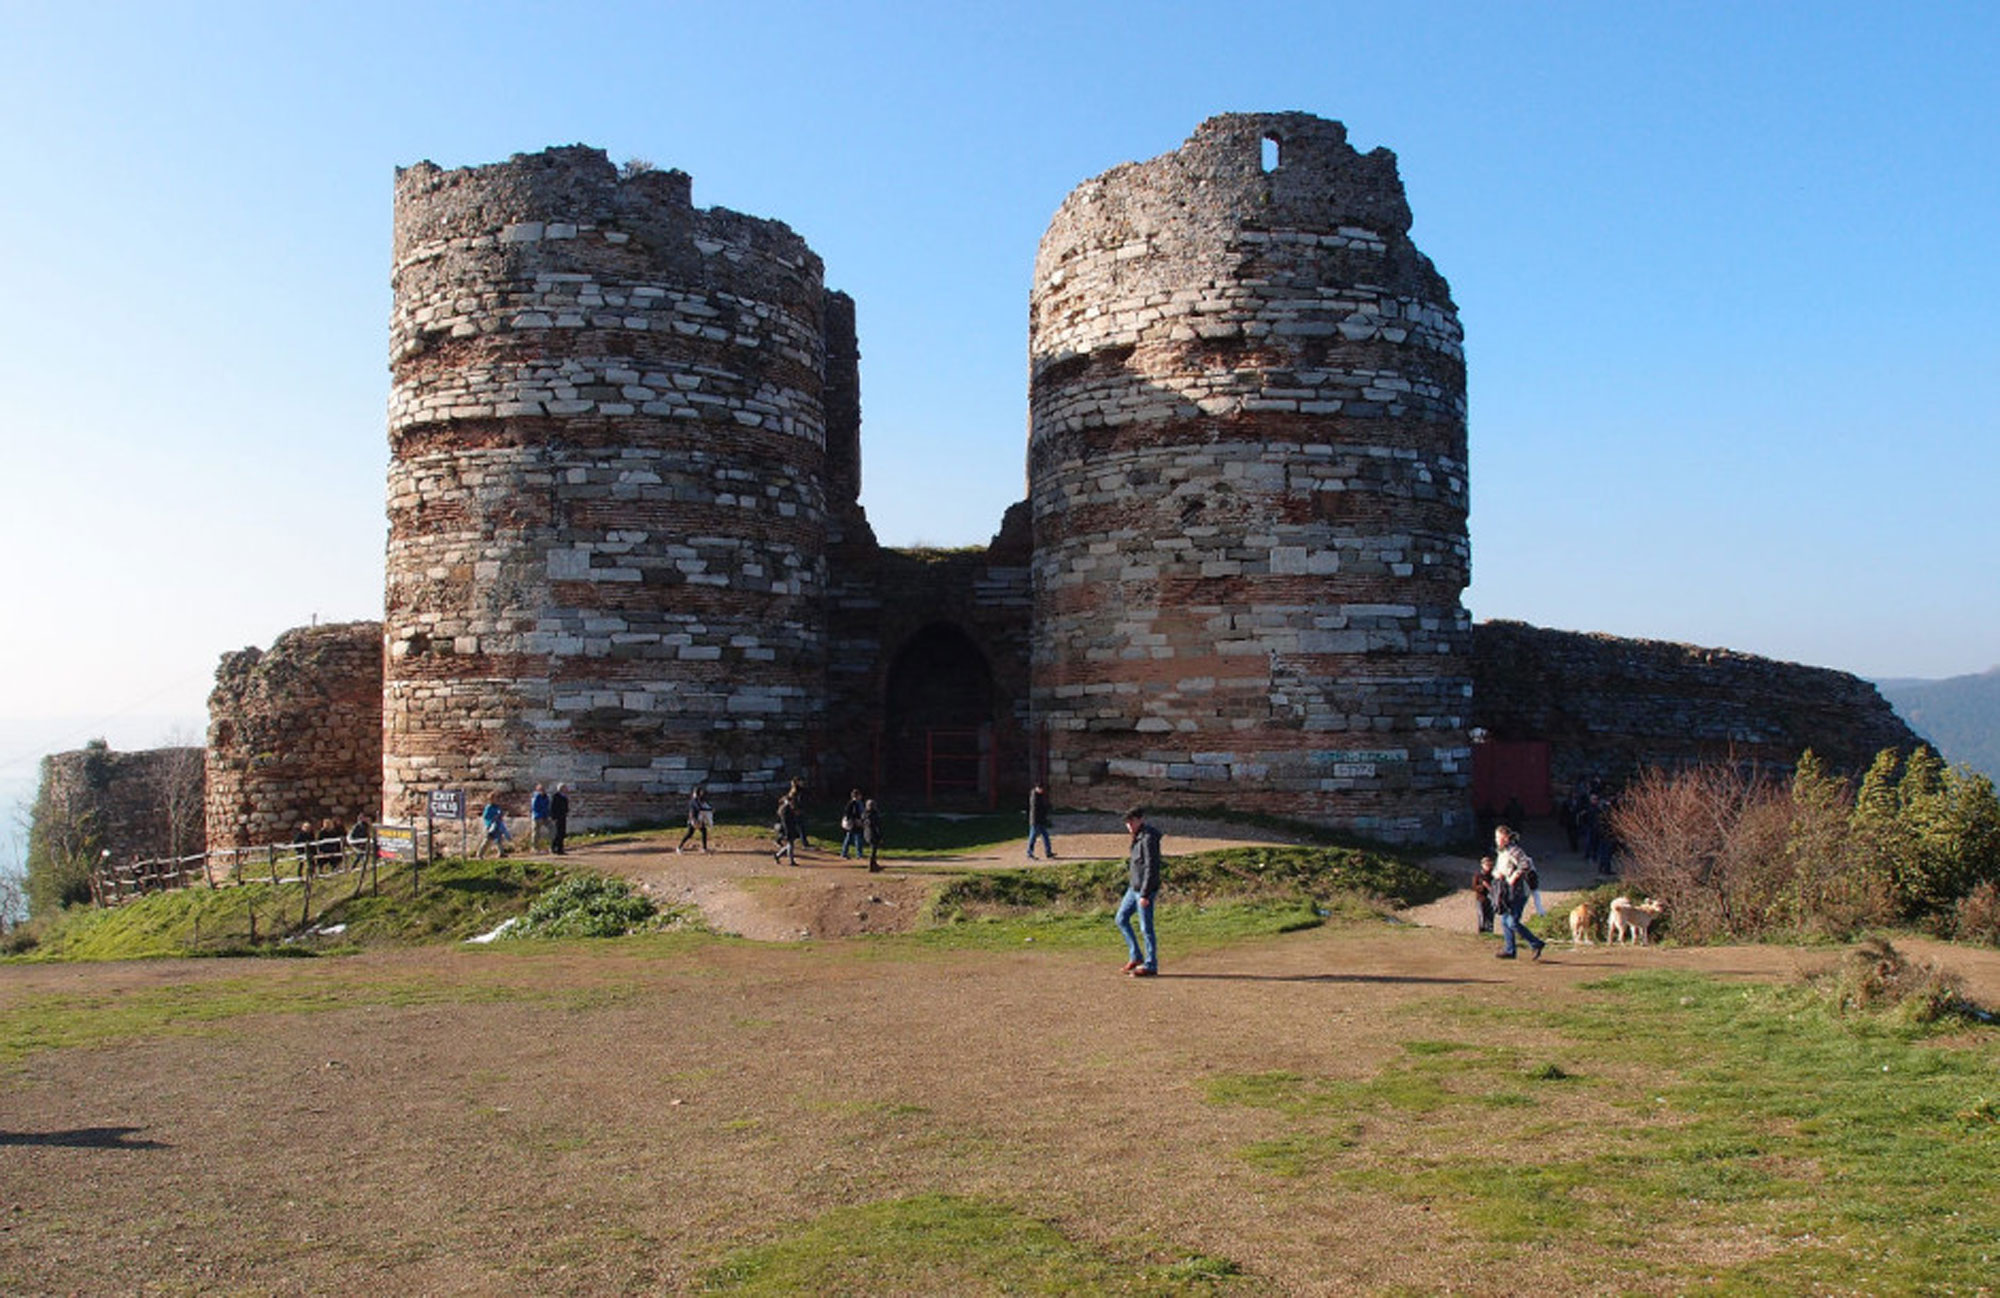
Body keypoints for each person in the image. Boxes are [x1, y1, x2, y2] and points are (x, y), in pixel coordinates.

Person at [1116, 807, 1162, 977]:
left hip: (1144, 889)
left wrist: (1145, 893)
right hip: (1133, 887)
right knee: (1121, 918)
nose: (1129, 826)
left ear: (1140, 819)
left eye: (1132, 822)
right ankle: (1135, 955)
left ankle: (1150, 964)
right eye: (1127, 823)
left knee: (1146, 927)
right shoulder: (1137, 836)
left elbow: (1151, 867)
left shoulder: (1149, 838)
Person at [1492, 824, 1544, 960]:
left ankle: (1536, 943)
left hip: (1519, 892)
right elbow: (1499, 868)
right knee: (1504, 920)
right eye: (1496, 837)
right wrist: (1497, 874)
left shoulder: (1514, 850)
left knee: (1512, 922)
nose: (1496, 840)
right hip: (1506, 891)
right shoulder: (1502, 852)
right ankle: (1510, 950)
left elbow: (1526, 864)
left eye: (1498, 837)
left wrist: (1515, 875)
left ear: (1505, 838)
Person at [677, 785, 712, 854]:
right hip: (693, 820)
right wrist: (709, 810)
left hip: (697, 820)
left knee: (703, 831)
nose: (701, 794)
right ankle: (679, 847)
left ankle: (704, 848)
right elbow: (699, 808)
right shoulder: (694, 801)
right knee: (689, 834)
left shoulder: (698, 800)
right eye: (700, 792)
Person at [1026, 784, 1057, 860]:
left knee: (1045, 836)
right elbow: (1036, 810)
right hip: (1036, 821)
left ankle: (1048, 852)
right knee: (1033, 837)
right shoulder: (1034, 797)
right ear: (1037, 788)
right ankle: (1029, 853)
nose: (1042, 791)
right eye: (1041, 789)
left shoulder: (1039, 796)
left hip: (1040, 820)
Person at [773, 794, 801, 866]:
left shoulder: (788, 808)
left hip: (789, 828)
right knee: (791, 845)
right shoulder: (785, 809)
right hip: (786, 829)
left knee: (790, 845)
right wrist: (787, 832)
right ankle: (791, 861)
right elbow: (785, 822)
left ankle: (778, 855)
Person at [839, 788, 866, 860]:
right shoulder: (853, 803)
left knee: (850, 838)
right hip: (854, 824)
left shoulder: (857, 803)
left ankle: (845, 853)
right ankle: (858, 854)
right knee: (856, 839)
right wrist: (856, 820)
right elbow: (849, 814)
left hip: (855, 823)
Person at [1473, 855, 1496, 934]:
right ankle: (1482, 931)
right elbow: (1474, 886)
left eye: (1490, 865)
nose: (1488, 867)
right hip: (1481, 898)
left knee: (1490, 915)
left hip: (1491, 898)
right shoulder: (1478, 875)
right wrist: (1482, 887)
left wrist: (1490, 887)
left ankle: (1489, 932)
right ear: (1482, 865)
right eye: (1486, 865)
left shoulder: (1493, 875)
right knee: (1482, 915)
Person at [862, 797, 883, 873]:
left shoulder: (864, 813)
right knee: (873, 850)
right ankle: (871, 866)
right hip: (872, 834)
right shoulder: (874, 815)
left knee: (873, 849)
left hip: (866, 833)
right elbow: (877, 826)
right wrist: (880, 836)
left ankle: (874, 864)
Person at [529, 784, 553, 850]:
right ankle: (534, 847)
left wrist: (548, 815)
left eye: (543, 789)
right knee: (536, 833)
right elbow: (534, 807)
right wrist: (540, 815)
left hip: (545, 816)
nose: (543, 791)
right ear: (538, 790)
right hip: (537, 817)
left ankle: (551, 845)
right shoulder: (536, 797)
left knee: (552, 829)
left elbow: (547, 806)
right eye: (541, 789)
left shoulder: (546, 797)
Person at [549, 784, 570, 855]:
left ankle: (560, 848)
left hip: (563, 816)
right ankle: (555, 848)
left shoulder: (565, 797)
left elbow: (566, 806)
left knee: (562, 833)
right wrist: (553, 817)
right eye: (565, 788)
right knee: (558, 833)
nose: (566, 789)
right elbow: (553, 807)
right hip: (557, 817)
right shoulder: (556, 796)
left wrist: (566, 812)